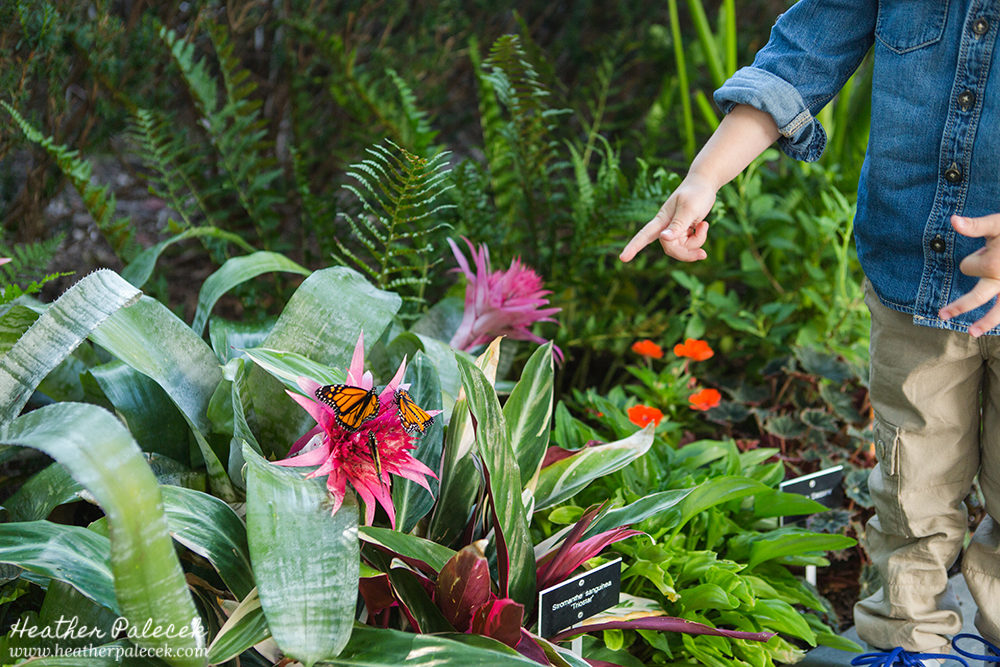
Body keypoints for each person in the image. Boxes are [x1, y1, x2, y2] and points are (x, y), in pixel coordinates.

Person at [620, 2, 1000, 666]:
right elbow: (801, 55)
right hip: (911, 276)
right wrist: (703, 178)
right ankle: (906, 643)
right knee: (912, 486)